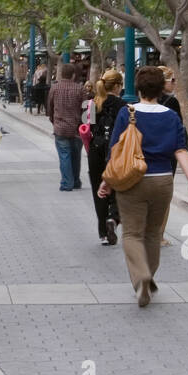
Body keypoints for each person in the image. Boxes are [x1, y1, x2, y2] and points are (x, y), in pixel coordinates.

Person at [99, 66, 188, 307]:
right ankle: (149, 275)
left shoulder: (128, 113)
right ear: (160, 88)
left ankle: (140, 277)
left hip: (133, 180)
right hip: (163, 180)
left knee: (133, 234)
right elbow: (180, 150)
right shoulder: (171, 115)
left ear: (138, 88)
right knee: (153, 234)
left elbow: (117, 150)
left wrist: (107, 180)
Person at [87, 69, 125, 245]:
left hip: (96, 150)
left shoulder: (93, 104)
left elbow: (87, 128)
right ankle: (114, 217)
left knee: (99, 190)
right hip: (116, 151)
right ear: (117, 86)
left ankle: (103, 231)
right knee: (118, 186)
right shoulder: (123, 106)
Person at [47, 62, 87, 191]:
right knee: (76, 155)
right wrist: (85, 126)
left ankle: (66, 182)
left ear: (61, 74)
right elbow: (86, 110)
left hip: (60, 127)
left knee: (64, 156)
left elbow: (50, 108)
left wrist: (54, 121)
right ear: (73, 75)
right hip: (77, 127)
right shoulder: (81, 89)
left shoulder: (54, 88)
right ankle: (75, 181)